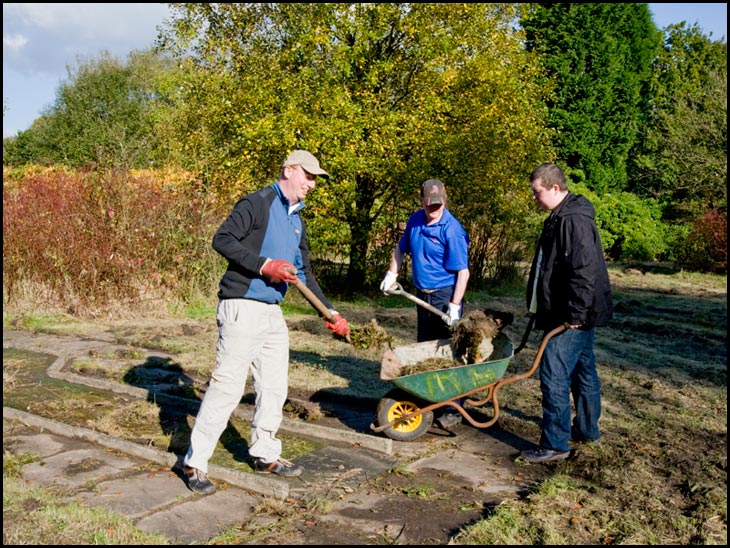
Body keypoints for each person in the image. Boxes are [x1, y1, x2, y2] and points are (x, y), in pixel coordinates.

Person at [182, 150, 350, 494]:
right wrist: (264, 265)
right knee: (227, 386)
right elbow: (222, 240)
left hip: (272, 311)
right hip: (241, 304)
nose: (312, 183)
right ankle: (194, 463)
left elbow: (303, 273)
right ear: (289, 170)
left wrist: (330, 313)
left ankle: (264, 453)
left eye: (315, 178)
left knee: (274, 386)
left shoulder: (297, 221)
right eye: (308, 175)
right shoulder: (257, 203)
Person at [521, 162, 613, 464]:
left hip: (572, 314)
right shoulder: (560, 216)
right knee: (582, 371)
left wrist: (575, 313)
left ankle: (555, 444)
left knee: (553, 372)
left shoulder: (572, 220)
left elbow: (584, 270)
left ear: (555, 188)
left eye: (538, 193)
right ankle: (587, 430)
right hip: (567, 310)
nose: (534, 198)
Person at [379, 178, 470, 428]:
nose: (434, 210)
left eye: (438, 206)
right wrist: (392, 274)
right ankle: (430, 398)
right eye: (429, 206)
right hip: (422, 295)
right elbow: (400, 249)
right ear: (422, 202)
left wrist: (454, 305)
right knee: (426, 349)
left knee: (448, 352)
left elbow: (463, 272)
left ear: (445, 201)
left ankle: (453, 406)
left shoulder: (451, 229)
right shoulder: (416, 220)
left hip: (445, 295)